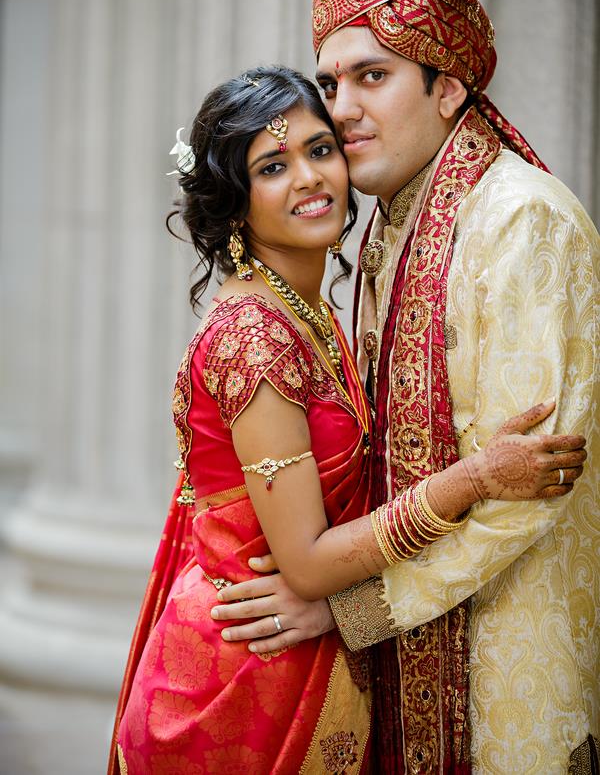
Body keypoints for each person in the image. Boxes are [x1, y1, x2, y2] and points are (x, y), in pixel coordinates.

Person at [107, 65, 584, 775]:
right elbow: (305, 562)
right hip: (245, 681)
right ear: (237, 204)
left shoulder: (311, 307)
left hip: (294, 655)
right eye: (273, 166)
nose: (309, 178)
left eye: (319, 150)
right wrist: (476, 478)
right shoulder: (256, 338)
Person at [210, 0, 600, 774]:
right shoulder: (392, 217)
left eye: (372, 77)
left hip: (503, 662)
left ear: (449, 88)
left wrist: (347, 609)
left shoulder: (519, 221)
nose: (340, 108)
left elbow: (534, 484)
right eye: (331, 81)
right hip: (412, 645)